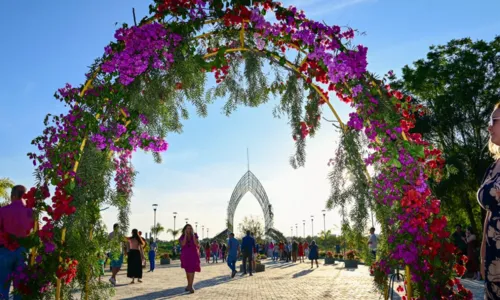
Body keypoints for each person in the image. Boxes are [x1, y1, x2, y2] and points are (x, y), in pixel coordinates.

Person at [478, 103, 500, 298]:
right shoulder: (492, 168)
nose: (489, 126)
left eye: (494, 121)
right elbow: (489, 212)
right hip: (493, 255)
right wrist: (483, 251)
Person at [0, 185, 33, 300]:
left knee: (2, 288)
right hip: (23, 252)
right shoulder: (30, 212)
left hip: (4, 251)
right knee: (20, 288)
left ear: (13, 196)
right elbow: (31, 232)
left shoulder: (3, 211)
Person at [179, 224, 200, 294]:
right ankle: (189, 285)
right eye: (187, 228)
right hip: (185, 255)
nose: (189, 230)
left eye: (190, 228)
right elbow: (183, 244)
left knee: (192, 270)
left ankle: (191, 286)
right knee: (187, 271)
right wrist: (185, 235)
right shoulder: (182, 236)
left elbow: (196, 244)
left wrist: (193, 236)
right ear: (185, 229)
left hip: (193, 254)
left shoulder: (195, 235)